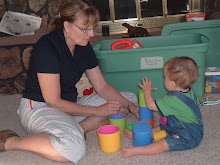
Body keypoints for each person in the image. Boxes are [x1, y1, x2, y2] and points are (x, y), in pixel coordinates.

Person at [0, 0, 139, 164]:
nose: (91, 34)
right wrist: (97, 111)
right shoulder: (47, 48)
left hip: (69, 104)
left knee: (128, 99)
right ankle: (10, 142)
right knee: (73, 148)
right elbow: (53, 102)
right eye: (85, 29)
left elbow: (101, 86)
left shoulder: (83, 46)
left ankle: (78, 129)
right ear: (67, 26)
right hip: (39, 107)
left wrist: (130, 106)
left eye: (93, 28)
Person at [123, 56, 204, 158]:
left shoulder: (173, 100)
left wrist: (147, 91)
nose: (164, 80)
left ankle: (136, 151)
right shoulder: (187, 89)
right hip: (181, 125)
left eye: (165, 78)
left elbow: (151, 105)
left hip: (189, 136)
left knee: (162, 145)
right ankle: (139, 137)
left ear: (173, 84)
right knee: (159, 127)